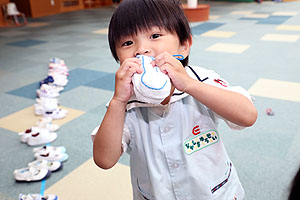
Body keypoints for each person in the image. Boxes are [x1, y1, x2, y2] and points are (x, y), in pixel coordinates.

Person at [92, 0, 258, 199]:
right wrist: (118, 102)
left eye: (155, 36)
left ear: (184, 45)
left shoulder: (200, 80)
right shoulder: (125, 102)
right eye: (128, 43)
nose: (141, 49)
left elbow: (247, 116)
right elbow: (104, 159)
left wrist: (190, 85)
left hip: (215, 193)